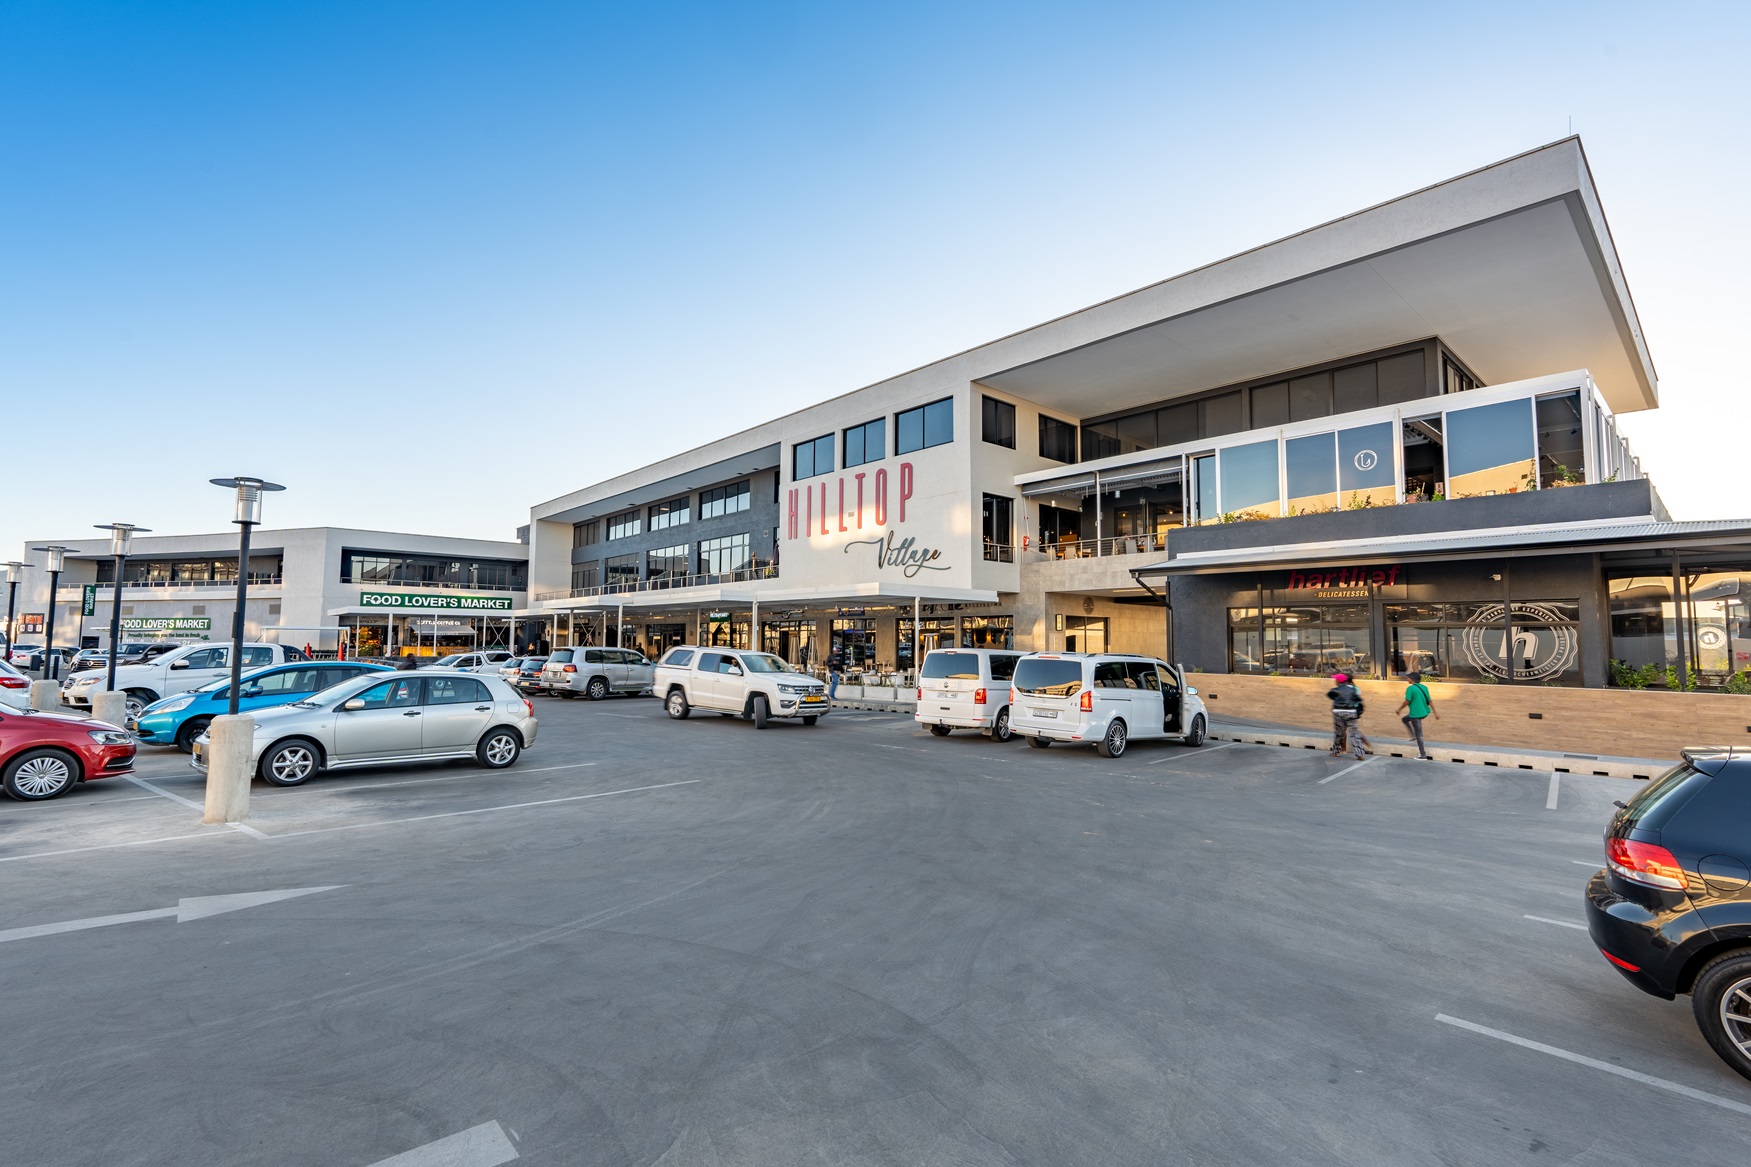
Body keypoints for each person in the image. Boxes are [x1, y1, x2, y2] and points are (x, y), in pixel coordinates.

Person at [1395, 671, 1438, 760]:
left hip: (1416, 714)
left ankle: (1423, 755)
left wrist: (1399, 709)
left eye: (1408, 678)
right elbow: (1430, 701)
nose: (1407, 679)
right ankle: (1413, 736)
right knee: (1404, 719)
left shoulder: (1410, 688)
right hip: (1424, 712)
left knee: (1419, 734)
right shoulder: (1424, 687)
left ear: (1412, 679)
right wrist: (1435, 712)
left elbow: (1407, 701)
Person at [1325, 672, 1366, 759]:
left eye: (1336, 679)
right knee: (1354, 733)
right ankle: (1360, 754)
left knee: (1339, 733)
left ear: (1338, 681)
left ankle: (1336, 751)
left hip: (1339, 711)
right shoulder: (1352, 690)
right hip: (1351, 711)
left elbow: (1329, 695)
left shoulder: (1334, 690)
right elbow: (1358, 699)